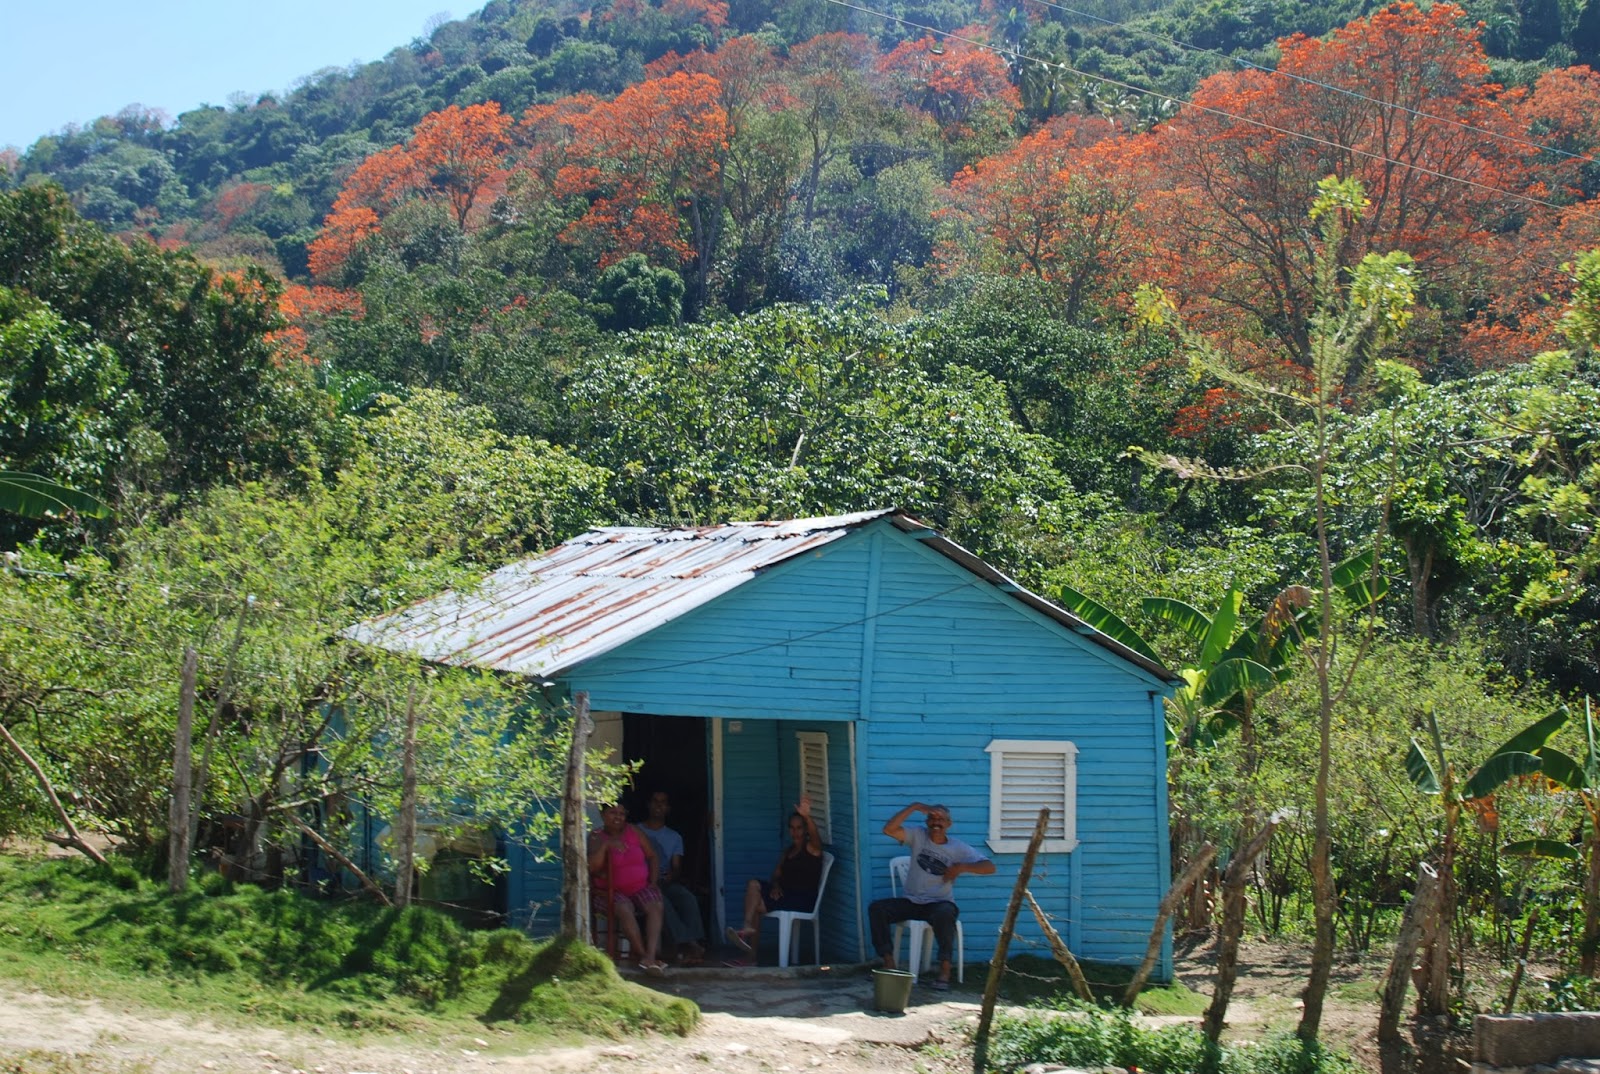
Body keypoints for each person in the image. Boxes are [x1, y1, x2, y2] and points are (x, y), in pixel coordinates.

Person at [868, 802, 995, 990]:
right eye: (932, 818)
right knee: (877, 909)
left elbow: (990, 867)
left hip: (939, 903)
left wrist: (961, 867)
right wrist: (915, 807)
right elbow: (889, 829)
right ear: (927, 821)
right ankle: (888, 962)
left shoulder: (957, 848)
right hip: (911, 902)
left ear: (949, 824)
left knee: (945, 914)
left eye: (941, 819)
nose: (936, 823)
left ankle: (944, 970)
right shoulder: (918, 836)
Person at [725, 795, 822, 956]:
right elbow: (776, 875)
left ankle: (751, 957)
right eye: (792, 828)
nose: (795, 832)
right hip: (784, 895)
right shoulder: (788, 852)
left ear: (805, 830)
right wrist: (776, 885)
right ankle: (747, 927)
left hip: (802, 899)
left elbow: (817, 839)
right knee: (753, 885)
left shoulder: (811, 848)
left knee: (756, 904)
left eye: (799, 828)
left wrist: (807, 816)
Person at [588, 802, 668, 975]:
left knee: (656, 904)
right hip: (608, 893)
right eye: (613, 813)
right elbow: (592, 867)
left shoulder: (634, 831)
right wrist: (606, 846)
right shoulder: (596, 836)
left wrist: (653, 882)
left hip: (639, 888)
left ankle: (651, 955)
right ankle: (643, 955)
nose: (618, 817)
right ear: (602, 816)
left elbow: (652, 856)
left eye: (622, 814)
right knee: (625, 908)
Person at [640, 789, 707, 965]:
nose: (658, 805)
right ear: (649, 804)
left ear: (668, 808)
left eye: (663, 802)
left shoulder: (674, 837)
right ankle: (689, 944)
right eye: (655, 801)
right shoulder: (636, 831)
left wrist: (671, 876)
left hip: (665, 881)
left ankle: (694, 941)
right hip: (644, 882)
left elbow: (677, 867)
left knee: (687, 897)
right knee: (662, 902)